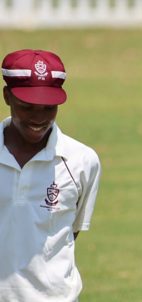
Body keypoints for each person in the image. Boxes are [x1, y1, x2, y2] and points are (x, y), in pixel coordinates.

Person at [0, 49, 101, 301]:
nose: (39, 118)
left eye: (49, 108)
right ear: (7, 97)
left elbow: (70, 231)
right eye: (27, 107)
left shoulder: (81, 161)